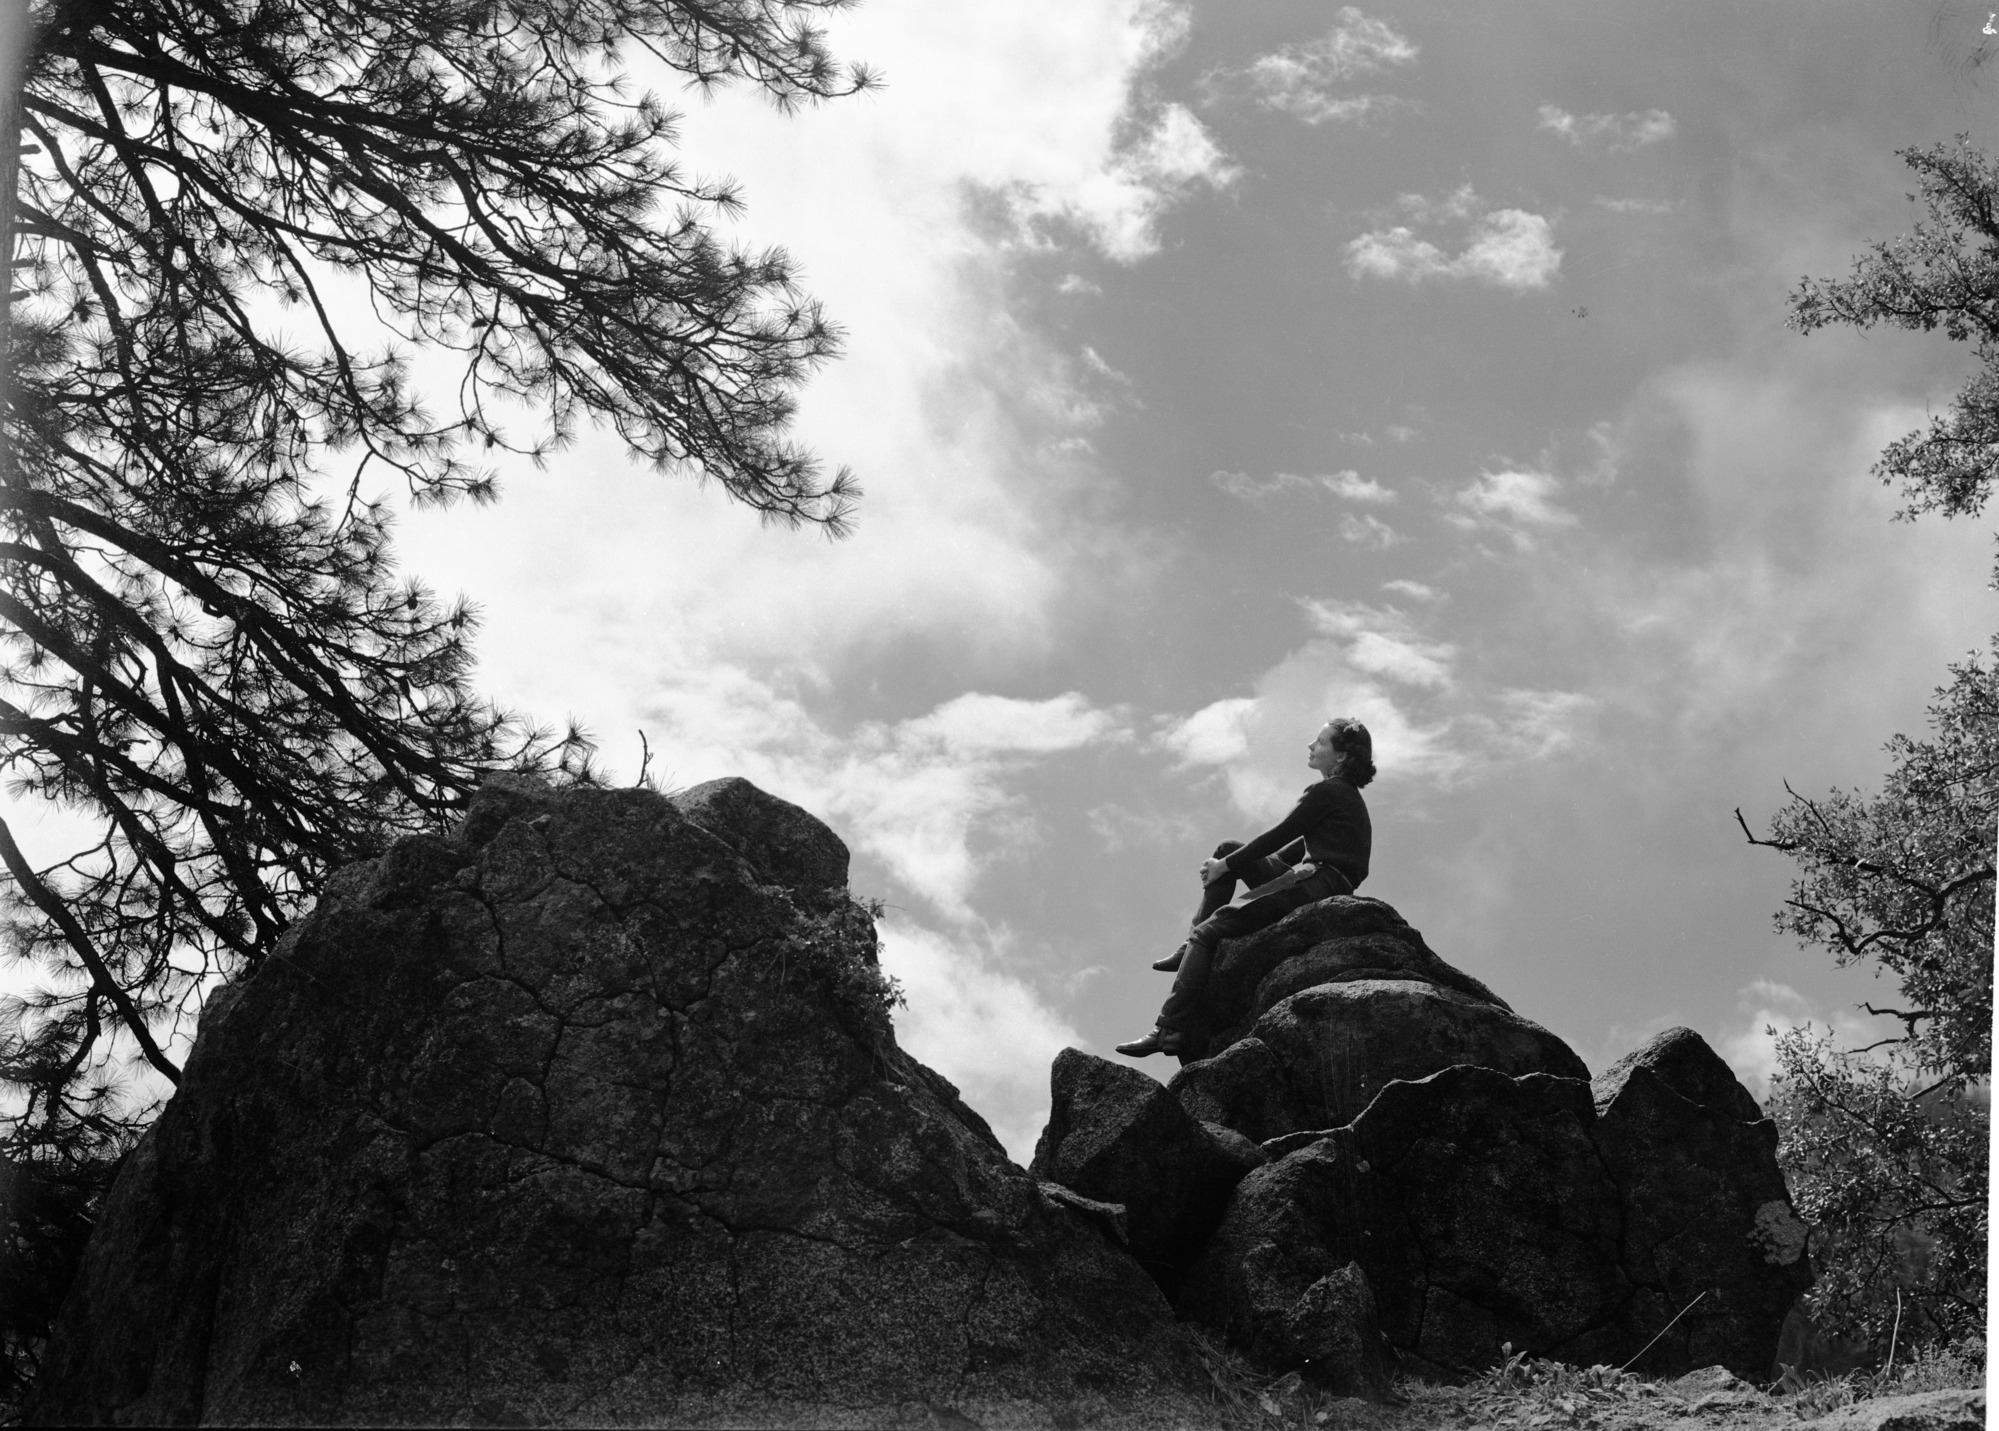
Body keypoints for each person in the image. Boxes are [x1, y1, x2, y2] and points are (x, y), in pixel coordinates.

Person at [1115, 717, 1374, 1058]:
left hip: (1318, 881)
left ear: (1340, 757)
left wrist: (1225, 867)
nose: (1311, 746)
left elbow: (1280, 835)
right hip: (1320, 878)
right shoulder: (1344, 795)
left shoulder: (1329, 791)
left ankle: (1167, 1029)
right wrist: (1234, 861)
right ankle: (1187, 951)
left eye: (1321, 742)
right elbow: (1295, 846)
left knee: (1210, 931)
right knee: (1227, 848)